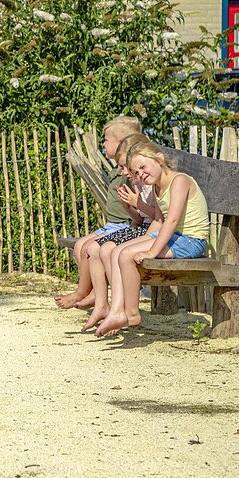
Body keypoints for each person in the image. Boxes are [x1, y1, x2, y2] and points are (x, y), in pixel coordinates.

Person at [95, 141, 211, 337]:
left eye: (143, 167)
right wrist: (139, 242)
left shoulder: (180, 181)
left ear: (159, 159)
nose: (141, 174)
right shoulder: (158, 187)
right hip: (176, 237)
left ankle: (131, 313)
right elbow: (158, 220)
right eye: (136, 172)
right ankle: (116, 310)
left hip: (191, 240)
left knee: (127, 256)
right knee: (118, 251)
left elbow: (172, 220)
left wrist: (151, 251)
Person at [55, 116, 145, 310]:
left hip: (124, 224)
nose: (103, 144)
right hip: (112, 225)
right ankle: (93, 292)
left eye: (106, 139)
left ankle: (92, 293)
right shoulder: (120, 169)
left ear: (122, 144)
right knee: (80, 245)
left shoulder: (132, 172)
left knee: (88, 247)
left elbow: (141, 206)